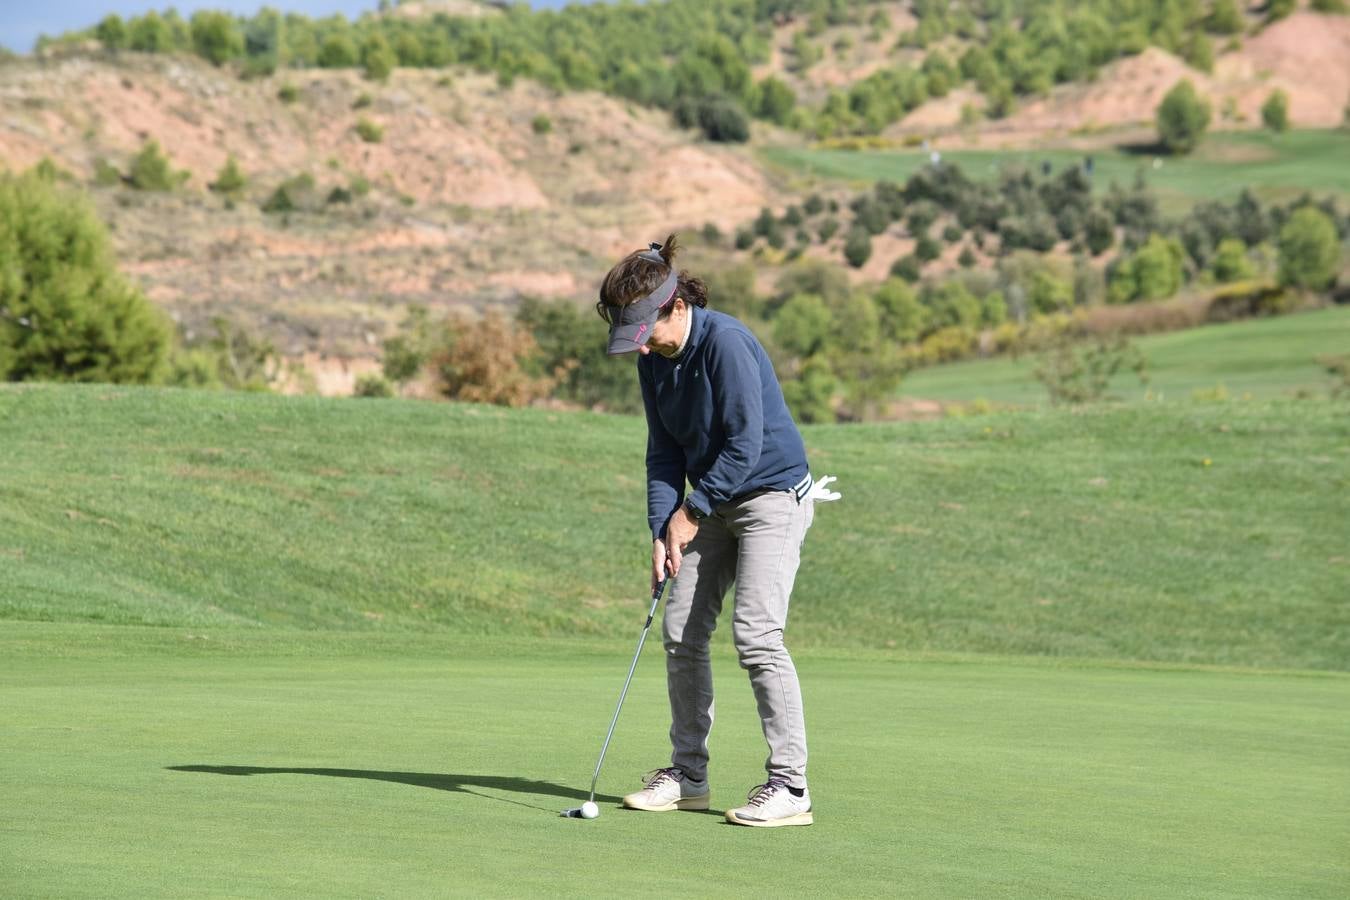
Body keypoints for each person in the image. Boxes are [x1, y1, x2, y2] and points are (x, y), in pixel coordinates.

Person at [594, 234, 838, 828]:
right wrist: (661, 529)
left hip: (771, 496)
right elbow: (663, 453)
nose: (641, 346)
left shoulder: (725, 342)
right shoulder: (654, 362)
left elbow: (743, 444)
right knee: (680, 630)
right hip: (712, 501)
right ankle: (689, 775)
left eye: (646, 330)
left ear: (677, 306)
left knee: (755, 634)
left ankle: (790, 787)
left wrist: (690, 513)